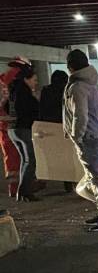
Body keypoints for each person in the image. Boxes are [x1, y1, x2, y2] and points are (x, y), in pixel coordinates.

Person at [63, 49, 98, 232]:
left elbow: (80, 115)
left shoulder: (78, 87)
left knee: (97, 177)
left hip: (88, 137)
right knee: (94, 177)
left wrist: (76, 135)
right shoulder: (92, 83)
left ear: (70, 67)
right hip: (96, 135)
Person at [6, 65, 39, 201]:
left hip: (12, 130)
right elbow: (32, 109)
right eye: (34, 80)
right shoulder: (24, 93)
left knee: (25, 161)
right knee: (30, 161)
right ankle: (25, 192)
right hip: (24, 129)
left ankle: (21, 192)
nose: (36, 82)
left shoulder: (14, 90)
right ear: (26, 79)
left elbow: (6, 107)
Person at [1, 57, 32, 198]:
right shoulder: (15, 79)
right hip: (12, 122)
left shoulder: (3, 79)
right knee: (20, 157)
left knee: (11, 157)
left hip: (5, 124)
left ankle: (15, 188)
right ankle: (17, 188)